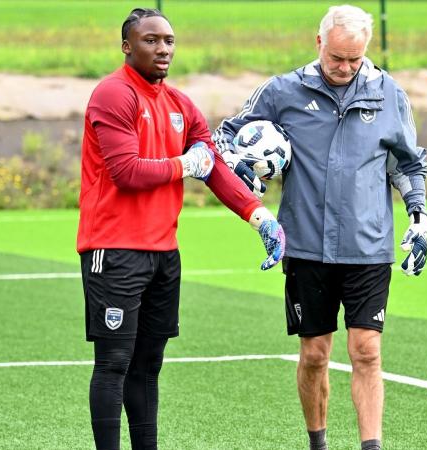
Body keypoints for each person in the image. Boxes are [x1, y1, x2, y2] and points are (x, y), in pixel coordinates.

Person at [213, 5, 427, 450]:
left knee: (367, 350)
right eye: (337, 59)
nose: (346, 68)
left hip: (368, 248)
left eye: (355, 59)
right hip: (307, 246)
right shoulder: (280, 91)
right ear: (319, 44)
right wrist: (242, 168)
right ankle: (318, 444)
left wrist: (419, 217)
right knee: (315, 355)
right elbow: (224, 138)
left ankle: (372, 446)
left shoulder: (390, 94)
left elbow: (407, 163)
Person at [76, 8, 286, 450]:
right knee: (114, 361)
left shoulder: (181, 105)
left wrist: (258, 215)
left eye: (169, 40)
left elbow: (213, 169)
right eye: (151, 40)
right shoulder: (113, 95)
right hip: (113, 250)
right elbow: (126, 172)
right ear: (127, 46)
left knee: (149, 364)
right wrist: (182, 165)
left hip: (163, 253)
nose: (163, 49)